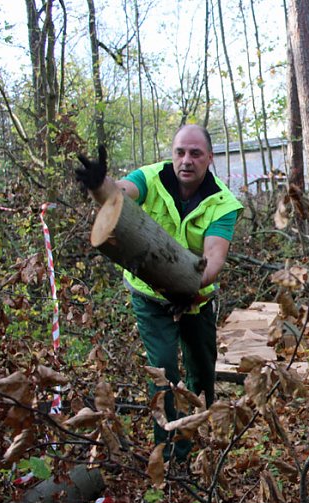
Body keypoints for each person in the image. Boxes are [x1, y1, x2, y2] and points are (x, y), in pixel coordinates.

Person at [75, 125, 243, 461]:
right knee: (163, 369)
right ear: (172, 154)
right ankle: (165, 451)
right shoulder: (150, 178)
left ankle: (195, 444)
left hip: (196, 300)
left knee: (202, 370)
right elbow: (119, 193)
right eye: (180, 152)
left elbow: (213, 258)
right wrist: (98, 184)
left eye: (196, 153)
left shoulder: (222, 203)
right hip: (150, 298)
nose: (186, 160)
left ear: (209, 158)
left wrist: (191, 288)